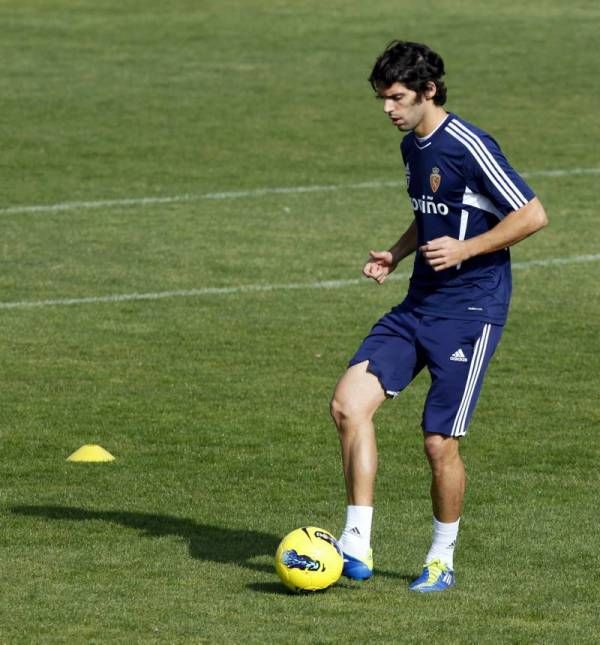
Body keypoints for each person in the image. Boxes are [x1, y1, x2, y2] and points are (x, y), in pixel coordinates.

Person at [330, 40, 548, 593]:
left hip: (470, 312)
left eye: (398, 97)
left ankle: (440, 557)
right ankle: (356, 541)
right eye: (382, 98)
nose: (388, 108)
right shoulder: (413, 147)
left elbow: (532, 214)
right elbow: (430, 213)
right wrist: (396, 253)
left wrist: (465, 250)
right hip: (419, 304)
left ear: (428, 91)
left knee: (438, 442)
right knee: (348, 405)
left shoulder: (469, 145)